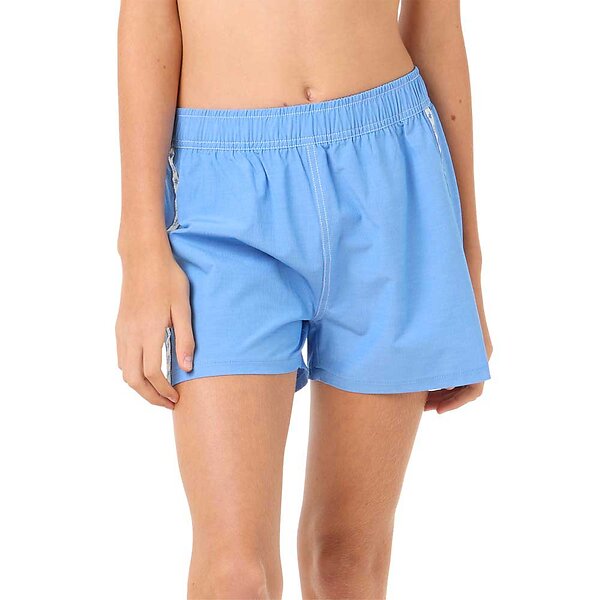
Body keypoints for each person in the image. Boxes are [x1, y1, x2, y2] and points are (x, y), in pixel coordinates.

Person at [116, 0, 493, 597]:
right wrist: (140, 246)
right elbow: (147, 15)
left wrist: (466, 257)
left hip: (390, 180)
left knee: (346, 561)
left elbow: (436, 24)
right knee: (234, 573)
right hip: (223, 198)